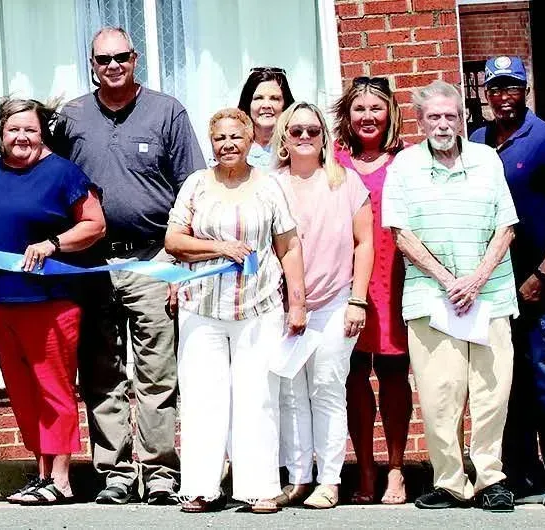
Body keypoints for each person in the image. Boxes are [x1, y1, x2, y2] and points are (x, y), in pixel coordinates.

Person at [52, 27, 204, 505]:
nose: (112, 65)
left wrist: (182, 265)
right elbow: (50, 184)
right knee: (101, 369)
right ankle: (115, 471)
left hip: (154, 256)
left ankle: (159, 471)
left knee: (157, 372)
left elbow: (192, 189)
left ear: (134, 58)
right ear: (91, 64)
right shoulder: (71, 117)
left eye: (121, 56)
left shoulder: (167, 111)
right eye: (102, 59)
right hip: (92, 262)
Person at [381, 81, 518, 513]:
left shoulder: (487, 159)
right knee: (440, 393)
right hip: (431, 297)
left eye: (451, 116)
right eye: (434, 117)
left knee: (491, 392)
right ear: (420, 122)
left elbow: (506, 227)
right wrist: (447, 280)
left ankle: (490, 478)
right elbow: (402, 234)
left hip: (490, 293)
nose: (443, 124)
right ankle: (449, 482)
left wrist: (475, 280)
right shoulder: (403, 166)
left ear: (463, 118)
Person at [165, 108, 306, 514]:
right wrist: (219, 248)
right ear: (212, 144)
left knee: (258, 397)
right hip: (202, 307)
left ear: (249, 141)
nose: (228, 144)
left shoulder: (269, 187)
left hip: (259, 307)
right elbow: (174, 240)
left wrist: (297, 303)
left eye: (235, 137)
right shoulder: (196, 185)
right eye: (220, 138)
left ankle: (259, 488)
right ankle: (200, 487)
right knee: (201, 398)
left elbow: (289, 246)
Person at [469, 56, 545, 507]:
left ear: (525, 90)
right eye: (496, 88)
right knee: (509, 383)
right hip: (500, 289)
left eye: (512, 88)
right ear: (486, 92)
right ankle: (524, 474)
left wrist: (542, 273)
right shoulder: (478, 141)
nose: (504, 96)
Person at [0, 99, 106, 506]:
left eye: (30, 130)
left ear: (42, 132)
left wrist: (53, 245)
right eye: (13, 130)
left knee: (53, 388)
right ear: (1, 133)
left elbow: (95, 225)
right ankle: (42, 472)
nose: (21, 138)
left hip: (51, 301)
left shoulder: (63, 173)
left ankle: (62, 478)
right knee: (22, 391)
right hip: (1, 302)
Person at [271, 103, 373, 509]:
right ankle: (298, 477)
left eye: (313, 130)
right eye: (296, 131)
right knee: (290, 392)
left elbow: (365, 242)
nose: (305, 137)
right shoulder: (270, 184)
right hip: (282, 305)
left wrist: (357, 300)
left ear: (324, 136)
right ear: (284, 137)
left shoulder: (345, 182)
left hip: (334, 303)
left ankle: (329, 480)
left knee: (327, 389)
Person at [330, 75, 411, 505]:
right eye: (359, 109)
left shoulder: (407, 162)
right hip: (348, 282)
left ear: (390, 113)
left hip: (395, 280)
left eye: (376, 108)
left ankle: (396, 469)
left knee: (395, 376)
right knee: (354, 377)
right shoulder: (334, 163)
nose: (367, 117)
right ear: (347, 114)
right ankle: (365, 467)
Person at [237, 67, 295, 168]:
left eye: (275, 98)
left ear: (285, 105)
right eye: (258, 98)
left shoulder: (297, 148)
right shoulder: (234, 148)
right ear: (248, 104)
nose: (266, 105)